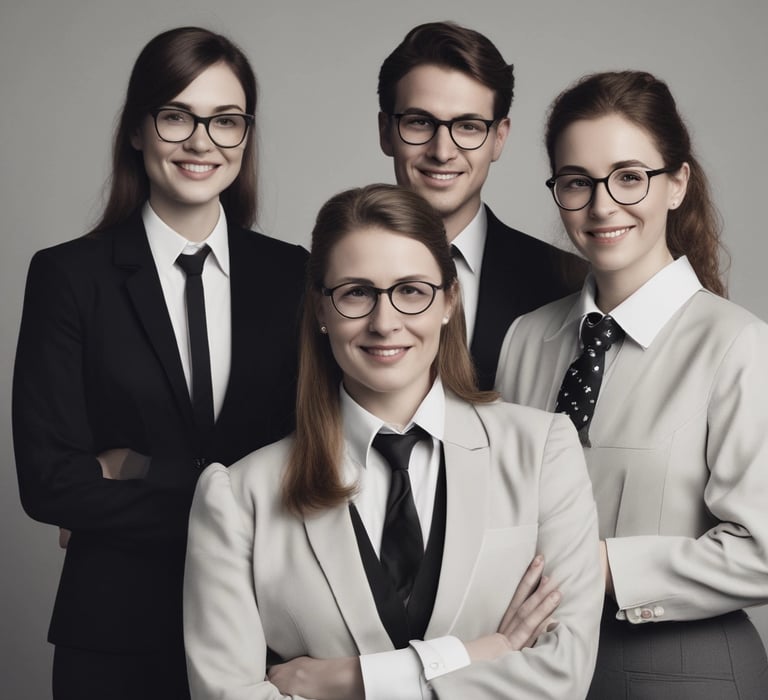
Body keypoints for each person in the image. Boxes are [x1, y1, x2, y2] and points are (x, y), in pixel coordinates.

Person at [183, 183, 603, 700]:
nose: (385, 323)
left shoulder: (541, 452)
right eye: (356, 292)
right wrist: (475, 654)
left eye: (411, 290)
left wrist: (353, 681)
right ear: (320, 309)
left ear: (449, 301)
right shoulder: (238, 495)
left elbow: (562, 677)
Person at [12, 27, 307, 700]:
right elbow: (50, 484)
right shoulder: (68, 276)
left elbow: (316, 460)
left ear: (244, 137)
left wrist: (134, 468)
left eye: (225, 120)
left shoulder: (294, 276)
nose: (202, 141)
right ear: (138, 130)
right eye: (177, 115)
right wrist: (231, 497)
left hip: (268, 631)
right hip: (115, 636)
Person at [495, 70, 768, 698]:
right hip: (537, 672)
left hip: (683, 672)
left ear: (676, 184)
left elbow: (762, 548)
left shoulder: (734, 345)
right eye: (576, 182)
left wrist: (602, 566)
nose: (601, 205)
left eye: (629, 177)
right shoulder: (525, 340)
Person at [377, 21, 587, 390]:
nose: (442, 152)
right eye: (420, 122)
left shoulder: (568, 284)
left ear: (499, 138)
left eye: (469, 126)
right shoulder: (327, 279)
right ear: (385, 132)